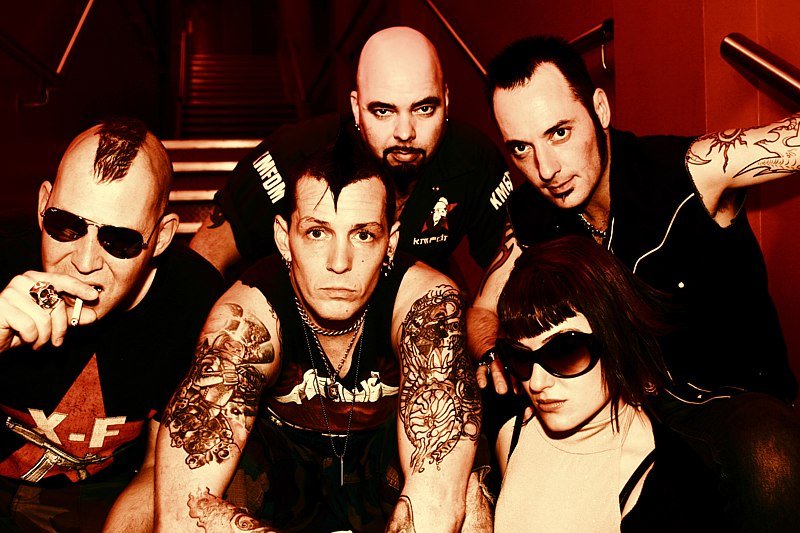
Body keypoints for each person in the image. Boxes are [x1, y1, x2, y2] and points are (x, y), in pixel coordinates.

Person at [469, 35, 800, 531]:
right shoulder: (531, 214)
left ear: (600, 109)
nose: (546, 168)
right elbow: (483, 308)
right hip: (622, 403)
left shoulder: (690, 172)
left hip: (729, 401)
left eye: (559, 132)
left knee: (770, 453)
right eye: (521, 148)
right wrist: (490, 353)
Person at [154, 136, 487, 532]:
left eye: (363, 235)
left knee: (467, 486)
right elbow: (182, 512)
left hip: (383, 471)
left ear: (391, 243)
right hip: (284, 477)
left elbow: (435, 500)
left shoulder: (426, 305)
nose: (339, 262)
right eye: (317, 233)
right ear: (284, 239)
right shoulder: (246, 318)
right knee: (217, 493)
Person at [0, 117, 224, 532]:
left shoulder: (196, 302)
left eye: (120, 241)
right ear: (42, 204)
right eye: (66, 225)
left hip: (101, 501)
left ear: (161, 238)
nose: (85, 262)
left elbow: (159, 468)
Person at [189, 26, 512, 282]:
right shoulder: (295, 153)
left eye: (424, 109)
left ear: (446, 101)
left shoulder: (475, 159)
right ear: (357, 107)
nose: (405, 132)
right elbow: (207, 255)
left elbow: (510, 269)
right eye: (383, 111)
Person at [493, 236, 724, 531]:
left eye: (564, 351)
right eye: (520, 356)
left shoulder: (670, 484)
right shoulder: (510, 431)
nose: (537, 383)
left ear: (615, 339)